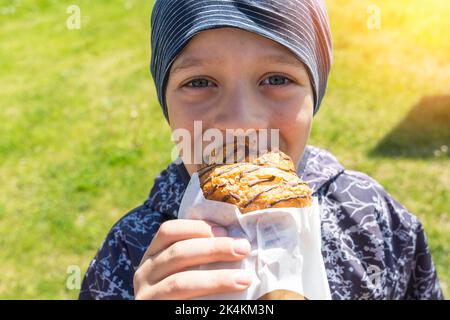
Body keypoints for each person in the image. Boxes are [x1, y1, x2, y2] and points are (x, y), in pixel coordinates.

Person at [79, 0, 443, 300]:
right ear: (166, 104)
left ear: (314, 93)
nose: (241, 121)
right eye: (200, 82)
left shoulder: (373, 220)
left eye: (276, 79)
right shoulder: (129, 255)